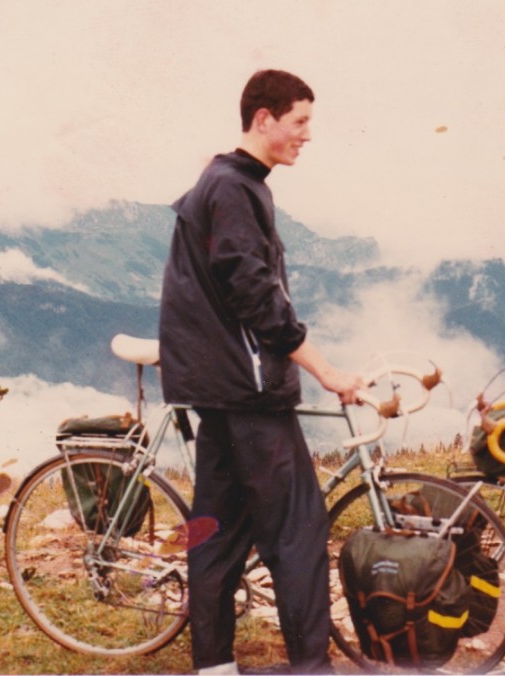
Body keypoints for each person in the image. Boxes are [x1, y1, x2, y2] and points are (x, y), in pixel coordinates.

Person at [158, 69, 362, 675]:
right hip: (247, 391)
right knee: (298, 526)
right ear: (264, 118)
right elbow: (255, 295)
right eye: (299, 122)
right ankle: (308, 666)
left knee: (215, 529)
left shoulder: (231, 181)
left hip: (222, 388)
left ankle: (214, 665)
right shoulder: (233, 187)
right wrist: (326, 370)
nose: (307, 135)